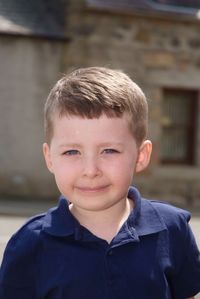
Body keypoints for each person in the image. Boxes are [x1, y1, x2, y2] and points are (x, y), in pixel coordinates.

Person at [0, 67, 199, 299]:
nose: (91, 170)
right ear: (49, 158)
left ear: (141, 156)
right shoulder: (29, 244)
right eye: (72, 152)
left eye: (109, 150)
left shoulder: (173, 228)